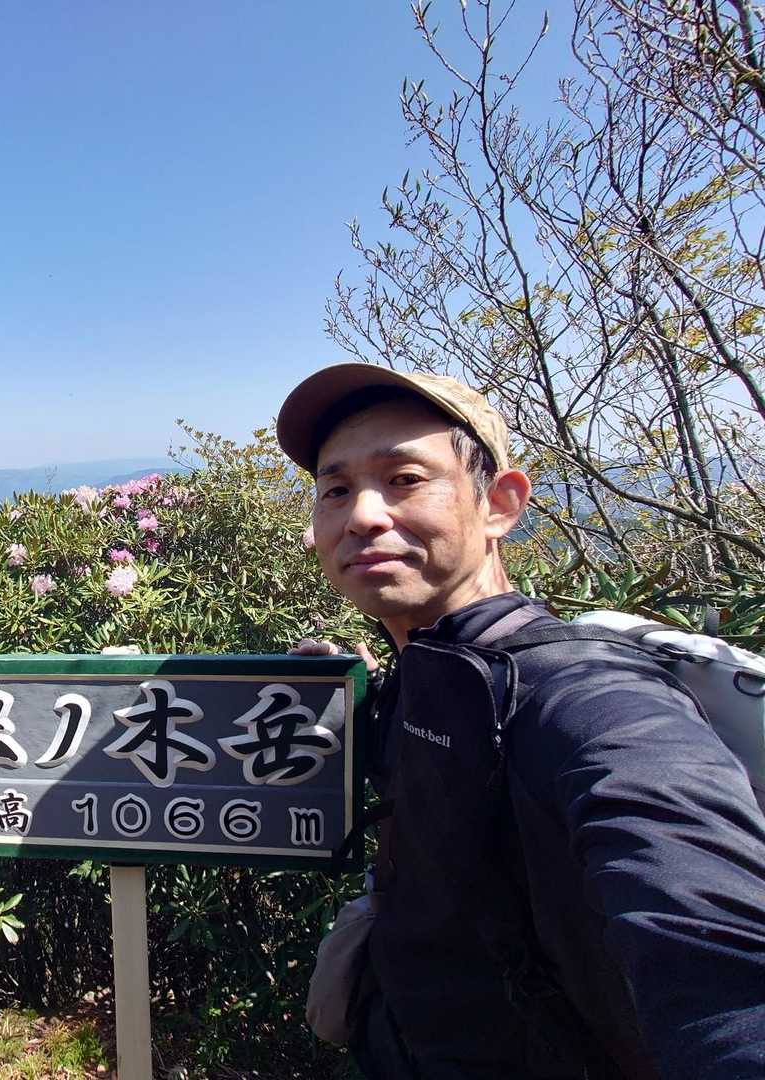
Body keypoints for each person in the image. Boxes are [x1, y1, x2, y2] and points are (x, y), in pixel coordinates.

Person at [276, 364, 765, 1080]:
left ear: (500, 505)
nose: (363, 516)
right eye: (336, 490)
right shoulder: (430, 676)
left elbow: (713, 948)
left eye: (405, 478)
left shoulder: (589, 698)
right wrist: (357, 694)